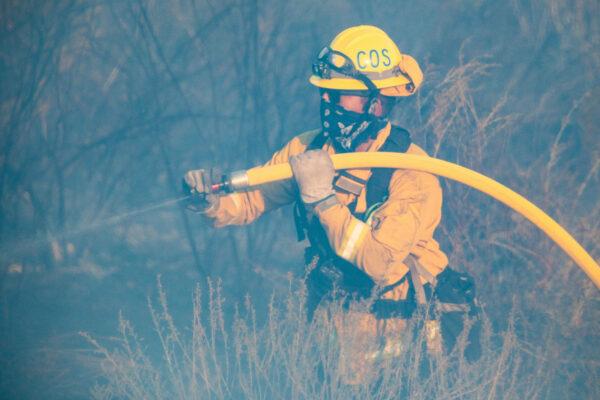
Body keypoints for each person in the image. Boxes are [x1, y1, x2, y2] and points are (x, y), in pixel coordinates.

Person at [183, 25, 480, 383]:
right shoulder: (310, 150)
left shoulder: (412, 175)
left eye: (339, 95)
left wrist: (324, 200)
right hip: (334, 345)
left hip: (401, 347)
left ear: (378, 103)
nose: (327, 103)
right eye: (325, 93)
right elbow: (251, 200)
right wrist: (211, 200)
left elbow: (378, 261)